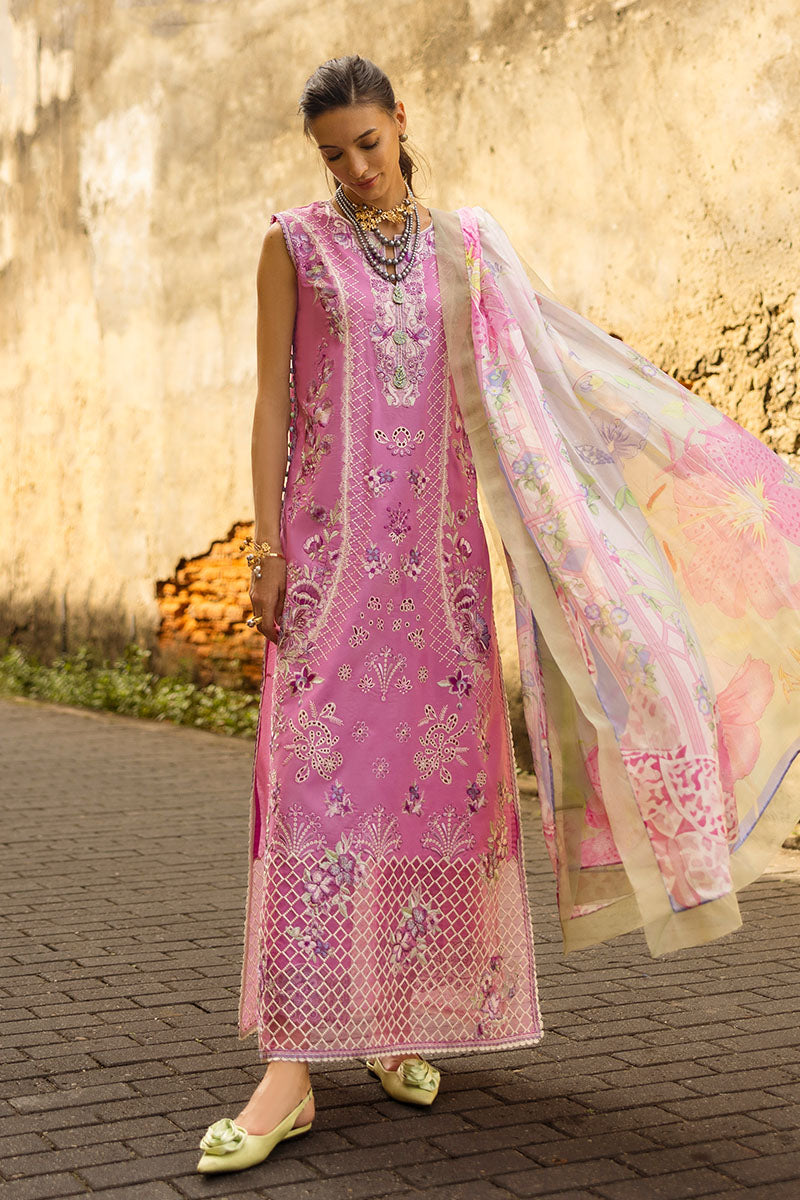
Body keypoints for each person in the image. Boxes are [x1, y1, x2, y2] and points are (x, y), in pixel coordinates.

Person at [197, 54, 800, 1175]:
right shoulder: (294, 246)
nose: (354, 168)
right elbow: (272, 401)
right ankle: (290, 1067)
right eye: (333, 154)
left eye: (368, 143)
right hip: (330, 572)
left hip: (441, 580)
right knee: (314, 801)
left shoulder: (468, 249)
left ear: (401, 121)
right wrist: (268, 550)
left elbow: (544, 380)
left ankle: (392, 1025)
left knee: (429, 802)